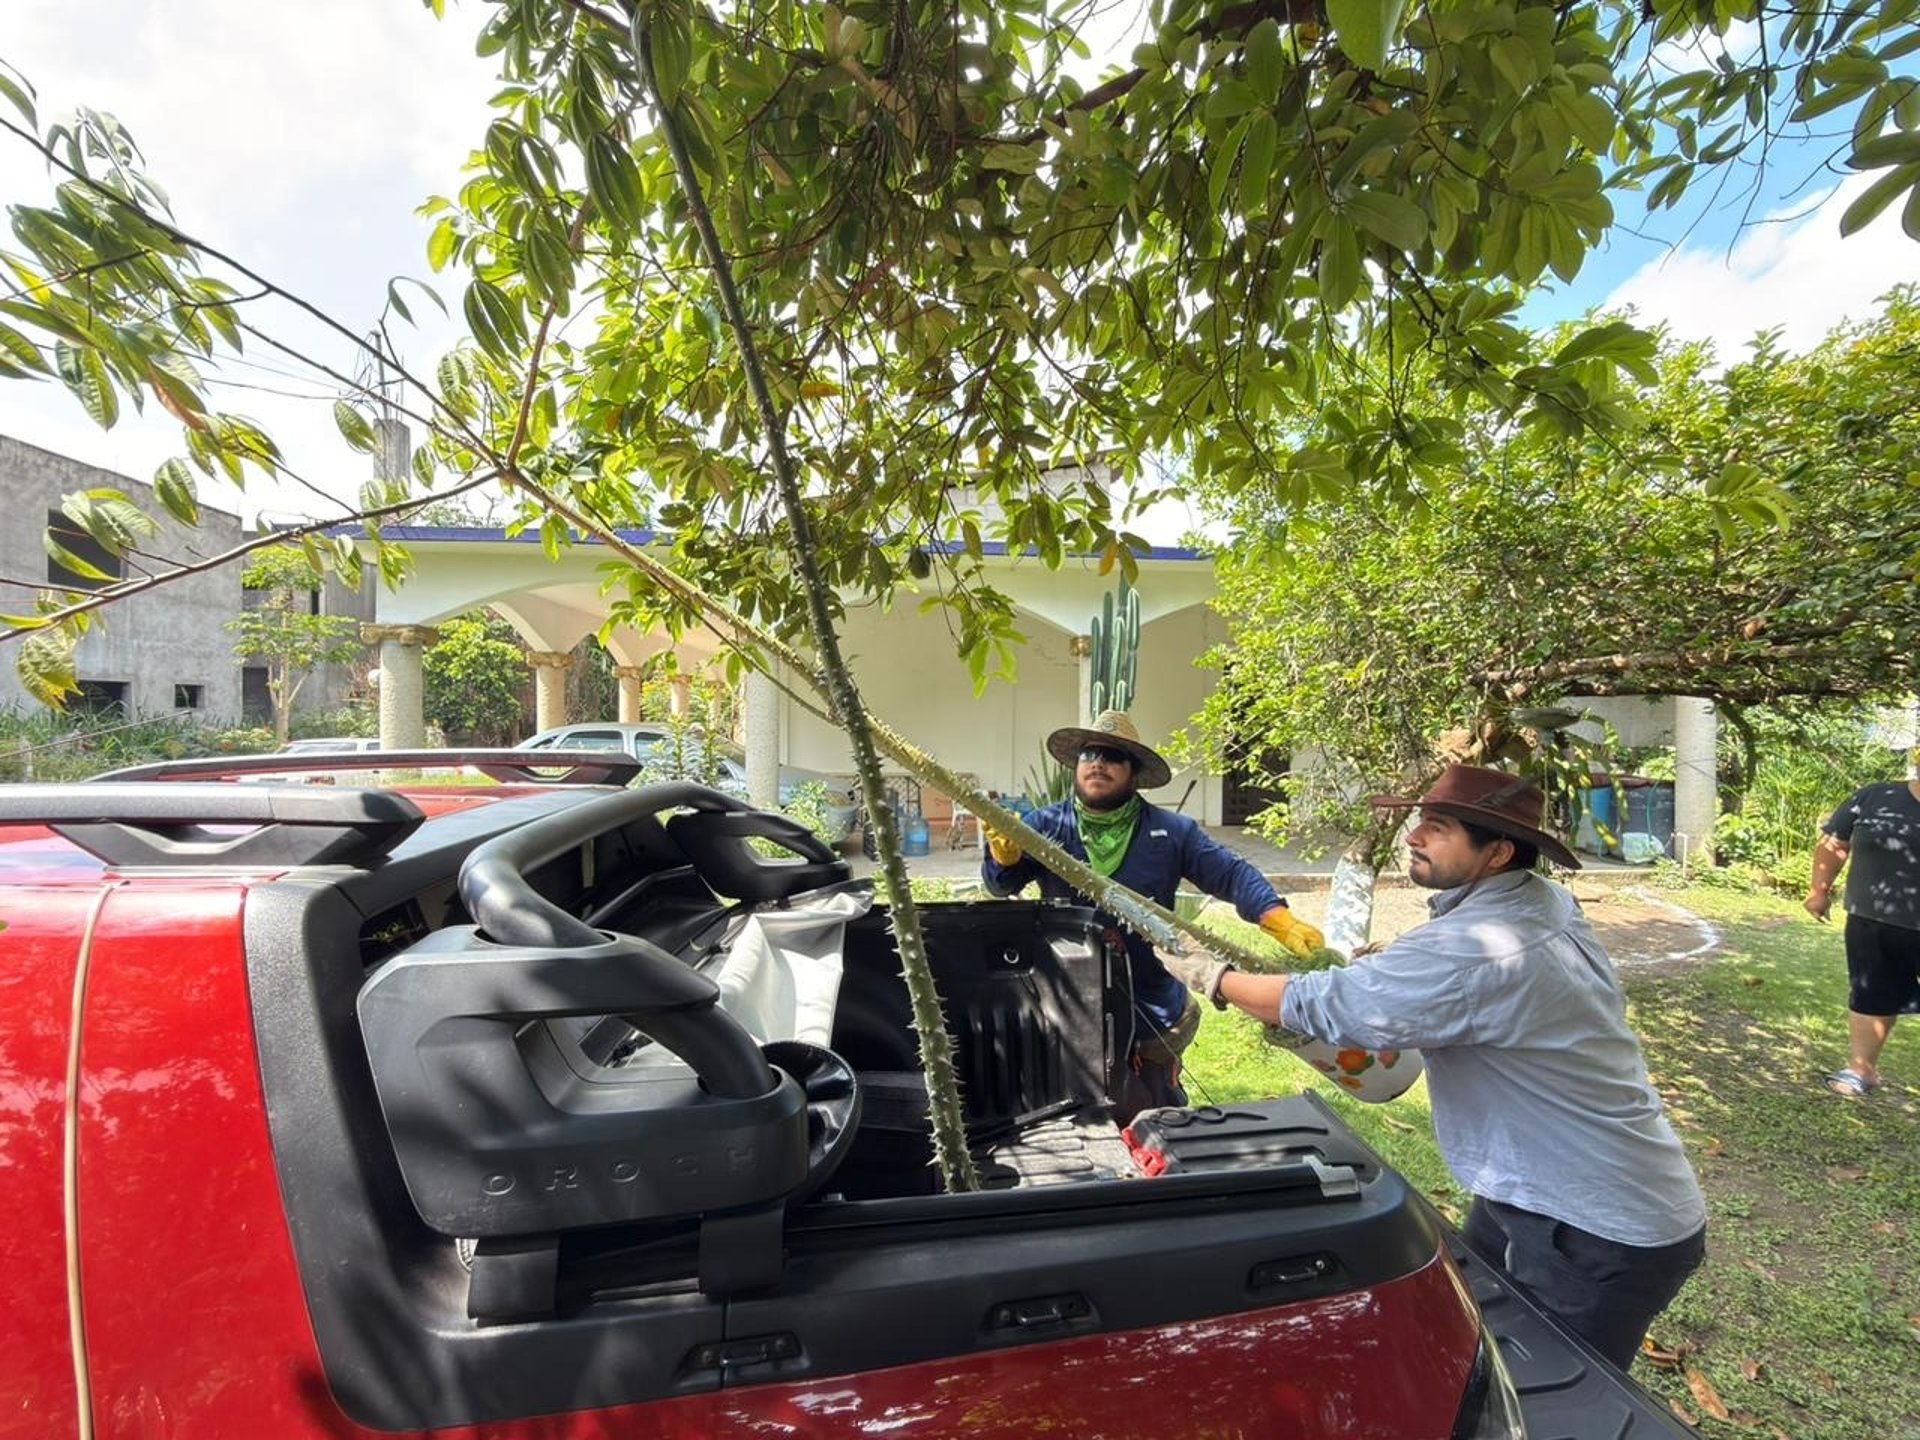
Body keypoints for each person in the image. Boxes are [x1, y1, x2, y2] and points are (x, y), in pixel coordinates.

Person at [1167, 764, 1706, 1371]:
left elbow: (1329, 1005)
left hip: (1592, 1225)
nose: (1414, 836)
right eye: (1421, 820)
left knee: (1548, 1391)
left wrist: (1215, 977)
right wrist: (1393, 967)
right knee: (1463, 1338)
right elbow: (1449, 980)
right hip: (1525, 1186)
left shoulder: (1481, 944)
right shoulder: (1540, 899)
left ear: (1498, 852)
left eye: (1439, 828)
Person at [981, 710, 1324, 1119]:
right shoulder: (1043, 825)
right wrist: (1002, 860)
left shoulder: (1171, 831)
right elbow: (1000, 885)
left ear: (1134, 772)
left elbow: (1231, 874)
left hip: (1152, 1005)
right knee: (1073, 1116)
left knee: (1156, 1116)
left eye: (1113, 756)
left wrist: (1275, 916)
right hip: (1066, 1001)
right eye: (1090, 754)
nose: (1098, 763)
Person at [1803, 768, 1920, 1096]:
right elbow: (1834, 843)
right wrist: (1819, 890)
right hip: (1873, 920)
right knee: (1872, 992)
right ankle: (1861, 1070)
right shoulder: (1875, 796)